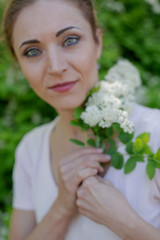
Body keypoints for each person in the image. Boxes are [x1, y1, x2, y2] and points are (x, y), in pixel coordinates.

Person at [2, 0, 160, 239]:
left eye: (70, 40)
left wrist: (125, 223)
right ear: (19, 65)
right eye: (32, 52)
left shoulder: (156, 133)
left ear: (98, 42)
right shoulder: (31, 149)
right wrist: (62, 208)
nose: (55, 67)